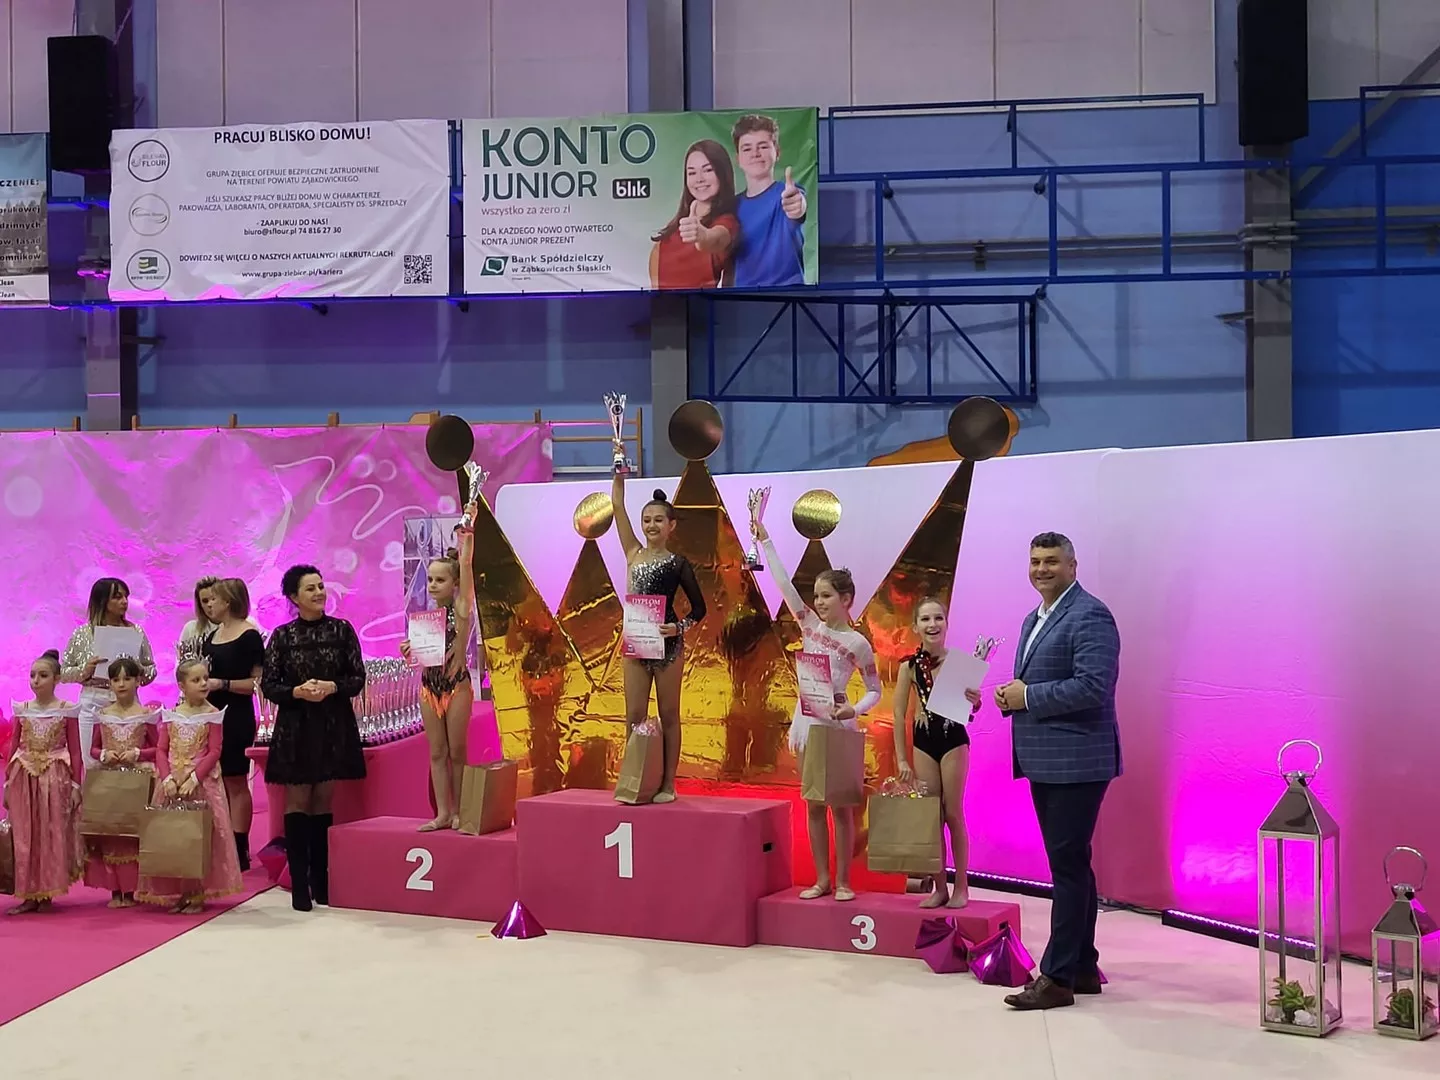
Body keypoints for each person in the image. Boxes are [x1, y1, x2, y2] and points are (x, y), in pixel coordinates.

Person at [993, 532, 1121, 1011]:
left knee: (1066, 868)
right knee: (1072, 864)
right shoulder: (1035, 618)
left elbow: (1094, 686)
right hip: (1046, 760)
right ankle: (1082, 966)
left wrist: (1027, 696)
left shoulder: (1090, 614)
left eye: (1051, 561)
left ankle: (1057, 977)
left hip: (1078, 762)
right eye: (1035, 561)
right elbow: (1042, 681)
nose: (1041, 569)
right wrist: (1012, 696)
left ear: (1072, 566)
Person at [756, 524, 880, 902]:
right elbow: (784, 585)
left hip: (838, 727)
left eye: (827, 596)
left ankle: (843, 881)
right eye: (816, 596)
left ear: (846, 599)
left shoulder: (858, 644)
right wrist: (765, 539)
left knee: (841, 808)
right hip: (809, 723)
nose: (819, 602)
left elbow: (874, 690)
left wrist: (853, 709)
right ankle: (822, 879)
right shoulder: (809, 626)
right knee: (813, 802)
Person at [261, 565, 367, 910]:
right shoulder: (282, 636)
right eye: (310, 588)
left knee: (323, 802)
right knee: (297, 802)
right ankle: (299, 886)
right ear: (294, 597)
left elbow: (357, 677)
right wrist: (298, 691)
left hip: (333, 724)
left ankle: (322, 882)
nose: (319, 593)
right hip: (296, 726)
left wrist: (332, 686)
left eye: (320, 586)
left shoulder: (342, 630)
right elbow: (269, 685)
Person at [609, 466, 707, 803]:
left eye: (658, 520)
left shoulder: (678, 563)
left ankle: (668, 784)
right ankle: (635, 781)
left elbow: (699, 609)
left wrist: (678, 628)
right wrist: (618, 475)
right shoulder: (632, 553)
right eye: (647, 520)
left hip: (668, 646)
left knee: (669, 715)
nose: (652, 525)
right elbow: (617, 506)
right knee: (634, 716)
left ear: (671, 526)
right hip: (637, 644)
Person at [892, 598, 981, 908]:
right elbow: (899, 714)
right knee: (933, 817)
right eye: (926, 619)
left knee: (953, 812)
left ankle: (962, 886)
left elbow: (969, 709)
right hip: (923, 743)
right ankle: (940, 887)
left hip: (953, 740)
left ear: (946, 623)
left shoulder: (959, 663)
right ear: (915, 626)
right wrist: (901, 758)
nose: (933, 624)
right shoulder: (909, 666)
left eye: (938, 618)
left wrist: (974, 701)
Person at [137, 659, 244, 913]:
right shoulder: (172, 715)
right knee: (175, 836)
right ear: (182, 686)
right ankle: (180, 890)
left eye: (205, 678)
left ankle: (196, 892)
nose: (204, 683)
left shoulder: (212, 714)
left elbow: (214, 751)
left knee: (200, 836)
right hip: (173, 783)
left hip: (201, 783)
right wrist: (167, 778)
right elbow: (161, 749)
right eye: (196, 680)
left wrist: (194, 778)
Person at [399, 519, 477, 832]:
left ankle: (459, 810)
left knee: (457, 752)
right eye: (430, 579)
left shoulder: (461, 609)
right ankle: (442, 812)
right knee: (436, 752)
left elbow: (466, 565)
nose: (432, 585)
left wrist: (467, 537)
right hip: (429, 687)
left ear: (454, 584)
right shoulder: (425, 617)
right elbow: (421, 654)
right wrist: (409, 648)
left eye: (440, 580)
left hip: (456, 686)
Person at [4, 650, 83, 913]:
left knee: (50, 833)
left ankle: (46, 891)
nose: (36, 680)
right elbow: (13, 747)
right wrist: (7, 783)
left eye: (43, 675)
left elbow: (75, 752)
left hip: (54, 778)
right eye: (32, 675)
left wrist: (76, 785)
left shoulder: (66, 711)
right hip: (24, 778)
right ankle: (28, 893)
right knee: (25, 834)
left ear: (57, 679)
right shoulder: (23, 710)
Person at [199, 577, 265, 870]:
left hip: (236, 715)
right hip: (210, 715)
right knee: (216, 780)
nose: (209, 604)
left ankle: (240, 847)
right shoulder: (212, 636)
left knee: (236, 780)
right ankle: (222, 841)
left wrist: (223, 683)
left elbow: (257, 684)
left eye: (214, 599)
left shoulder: (249, 636)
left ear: (228, 601)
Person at [82, 658, 158, 907]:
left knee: (132, 834)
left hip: (138, 779)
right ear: (110, 684)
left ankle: (133, 889)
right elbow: (94, 748)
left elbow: (158, 747)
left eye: (127, 678)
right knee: (111, 832)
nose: (122, 684)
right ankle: (115, 890)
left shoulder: (146, 715)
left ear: (138, 681)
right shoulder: (103, 715)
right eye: (116, 679)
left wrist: (138, 753)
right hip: (110, 779)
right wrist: (104, 754)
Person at [62, 577, 157, 769]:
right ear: (102, 600)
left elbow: (151, 670)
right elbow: (63, 672)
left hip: (128, 702)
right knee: (92, 763)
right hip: (93, 700)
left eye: (126, 596)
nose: (124, 601)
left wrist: (138, 669)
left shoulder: (135, 631)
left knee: (131, 761)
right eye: (117, 597)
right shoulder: (82, 634)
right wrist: (84, 670)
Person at [649, 139, 739, 289]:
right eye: (692, 172)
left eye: (708, 170)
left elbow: (717, 238)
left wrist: (703, 236)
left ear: (722, 173)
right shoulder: (666, 239)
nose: (699, 179)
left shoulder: (727, 222)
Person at [729, 114, 807, 287]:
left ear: (777, 152)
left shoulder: (788, 194)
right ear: (738, 159)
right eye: (747, 149)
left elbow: (797, 206)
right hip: (742, 295)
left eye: (763, 146)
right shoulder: (731, 206)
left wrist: (798, 206)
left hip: (788, 292)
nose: (755, 154)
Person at [177, 577, 221, 662]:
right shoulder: (191, 629)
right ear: (200, 605)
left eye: (213, 599)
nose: (210, 604)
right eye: (205, 601)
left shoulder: (241, 627)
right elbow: (180, 663)